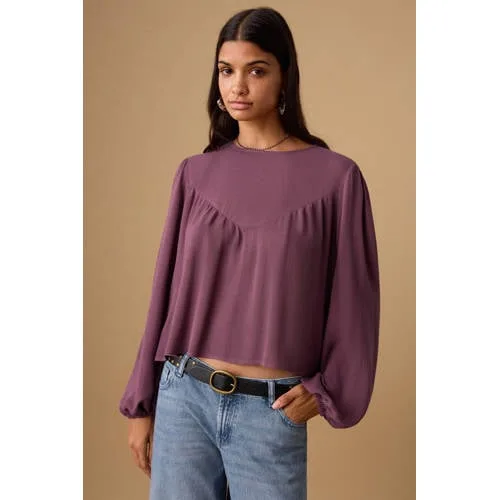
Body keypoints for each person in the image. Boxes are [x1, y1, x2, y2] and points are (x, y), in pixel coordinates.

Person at [118, 7, 380, 500]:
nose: (237, 86)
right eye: (226, 70)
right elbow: (165, 294)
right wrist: (142, 401)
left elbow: (355, 302)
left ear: (285, 77)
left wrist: (325, 391)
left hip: (270, 410)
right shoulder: (195, 174)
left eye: (256, 70)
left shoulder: (336, 178)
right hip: (183, 399)